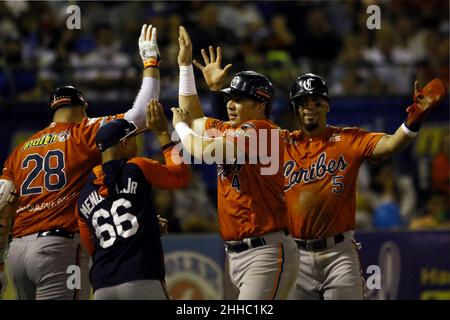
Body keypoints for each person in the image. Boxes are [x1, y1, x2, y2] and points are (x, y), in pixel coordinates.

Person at [192, 42, 447, 299]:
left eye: (316, 101)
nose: (309, 106)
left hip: (338, 252)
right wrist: (215, 92)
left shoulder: (348, 139)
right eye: (302, 102)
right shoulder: (277, 140)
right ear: (294, 108)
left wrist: (414, 120)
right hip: (295, 252)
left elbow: (391, 145)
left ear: (327, 105)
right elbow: (229, 133)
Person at [0, 24, 161, 300]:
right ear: (83, 108)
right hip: (56, 249)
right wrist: (150, 62)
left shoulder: (21, 148)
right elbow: (143, 114)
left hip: (17, 254)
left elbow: (3, 205)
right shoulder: (82, 131)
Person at [173, 26, 298, 300]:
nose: (230, 104)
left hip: (266, 251)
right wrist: (184, 68)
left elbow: (202, 150)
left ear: (260, 104)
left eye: (239, 99)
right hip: (235, 253)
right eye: (229, 98)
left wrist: (180, 128)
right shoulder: (236, 129)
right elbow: (195, 117)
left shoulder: (262, 131)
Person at [76, 100, 190, 300]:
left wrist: (146, 224)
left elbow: (93, 245)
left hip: (103, 287)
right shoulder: (137, 167)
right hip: (141, 277)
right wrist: (164, 134)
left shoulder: (84, 193)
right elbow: (180, 177)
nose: (136, 143)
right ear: (125, 143)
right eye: (134, 138)